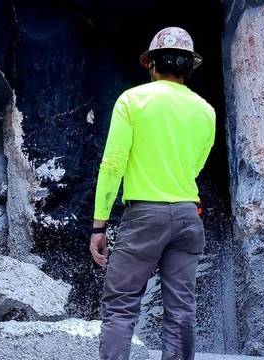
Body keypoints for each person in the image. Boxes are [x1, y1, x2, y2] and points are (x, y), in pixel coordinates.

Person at [90, 27, 216, 360]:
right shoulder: (206, 111)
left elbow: (113, 164)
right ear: (189, 68)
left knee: (120, 306)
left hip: (145, 216)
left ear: (152, 65)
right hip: (189, 218)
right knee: (181, 312)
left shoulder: (132, 101)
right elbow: (194, 168)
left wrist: (99, 225)